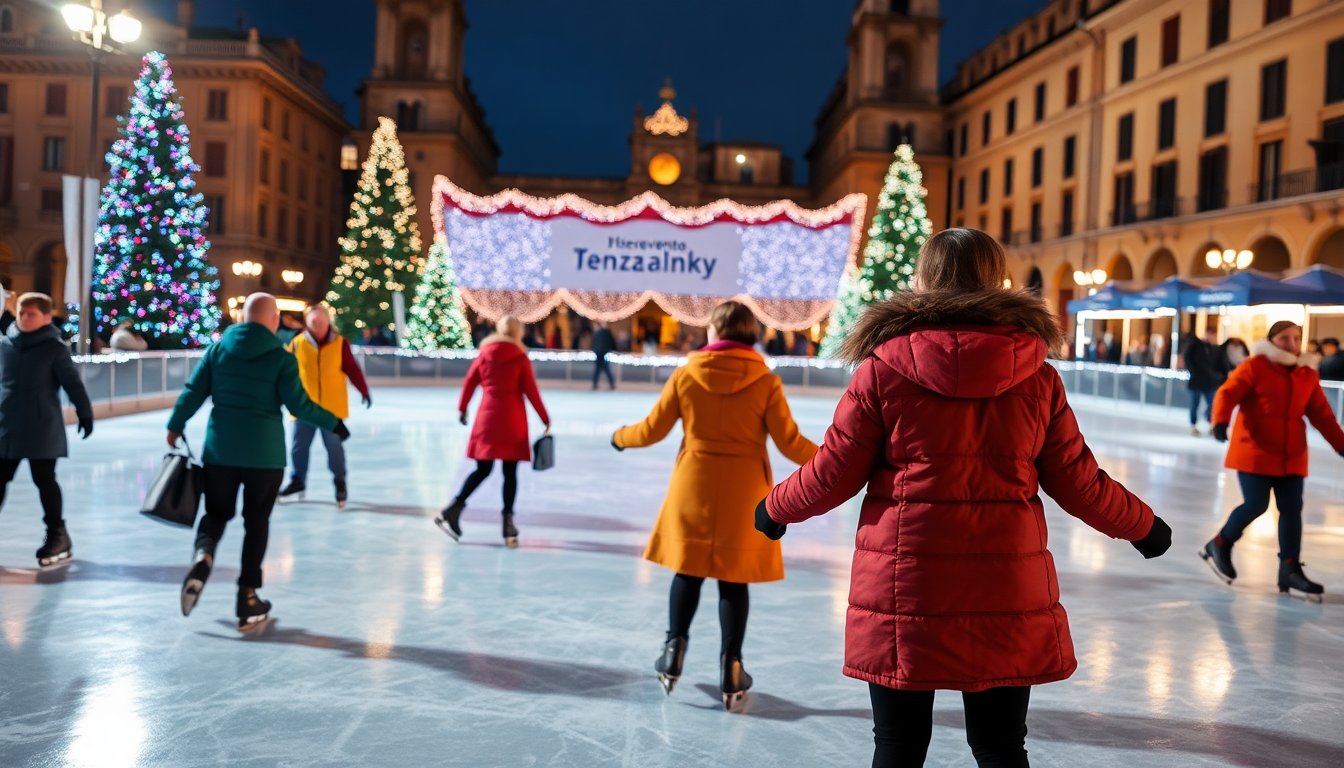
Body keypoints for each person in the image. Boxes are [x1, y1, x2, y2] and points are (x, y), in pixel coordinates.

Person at [755, 228, 1170, 767]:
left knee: (899, 748)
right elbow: (1077, 479)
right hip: (1004, 586)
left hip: (907, 586)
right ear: (996, 278)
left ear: (925, 278)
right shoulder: (1037, 375)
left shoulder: (882, 369)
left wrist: (774, 508)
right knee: (1000, 748)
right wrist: (1142, 526)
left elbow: (834, 470)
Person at [611, 301, 818, 712]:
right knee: (732, 579)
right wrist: (839, 459)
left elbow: (652, 430)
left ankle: (673, 651)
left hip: (695, 485)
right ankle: (732, 666)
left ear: (715, 332)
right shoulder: (765, 382)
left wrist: (620, 436)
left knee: (687, 571)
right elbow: (791, 443)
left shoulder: (687, 374)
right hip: (744, 492)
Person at [167, 293, 349, 629]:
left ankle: (203, 554)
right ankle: (247, 597)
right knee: (256, 524)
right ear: (274, 320)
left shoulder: (218, 350)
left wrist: (175, 425)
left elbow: (193, 390)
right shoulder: (281, 358)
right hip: (264, 457)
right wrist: (334, 422)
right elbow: (300, 406)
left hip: (220, 452)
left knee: (216, 514)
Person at [1200, 321, 1344, 601]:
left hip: (1291, 454)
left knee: (1292, 509)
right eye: (1284, 338)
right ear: (1271, 340)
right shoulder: (1255, 367)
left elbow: (1322, 415)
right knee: (1256, 504)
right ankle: (1220, 543)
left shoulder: (1306, 373)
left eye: (1296, 338)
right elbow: (1227, 393)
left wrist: (1341, 444)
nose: (1292, 344)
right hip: (1254, 449)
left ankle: (1289, 569)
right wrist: (1219, 420)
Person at [434, 316, 549, 548]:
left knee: (483, 469)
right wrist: (545, 418)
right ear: (518, 332)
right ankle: (507, 525)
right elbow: (531, 391)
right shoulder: (519, 357)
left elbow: (470, 381)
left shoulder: (485, 353)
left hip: (487, 417)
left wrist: (463, 408)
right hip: (512, 420)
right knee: (510, 472)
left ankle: (453, 508)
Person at [0, 293, 94, 568]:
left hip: (41, 426)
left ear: (46, 316)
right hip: (6, 425)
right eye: (21, 314)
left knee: (44, 480)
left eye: (31, 314)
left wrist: (84, 412)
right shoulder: (6, 344)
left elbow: (73, 384)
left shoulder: (54, 348)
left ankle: (58, 535)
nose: (25, 318)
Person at [278, 304, 372, 508]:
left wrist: (363, 390)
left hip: (332, 409)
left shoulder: (340, 344)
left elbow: (352, 369)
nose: (318, 327)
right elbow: (285, 371)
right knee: (298, 448)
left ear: (328, 322)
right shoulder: (297, 343)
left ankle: (340, 482)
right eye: (313, 322)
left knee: (335, 449)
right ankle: (297, 481)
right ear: (307, 323)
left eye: (321, 322)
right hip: (303, 407)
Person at [1182, 327, 1230, 436]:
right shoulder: (1195, 345)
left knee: (1211, 404)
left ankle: (1210, 424)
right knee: (1195, 404)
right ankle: (1193, 425)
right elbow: (1188, 359)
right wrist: (1193, 372)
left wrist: (1219, 376)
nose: (1212, 337)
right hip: (1196, 381)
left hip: (1210, 382)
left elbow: (1221, 364)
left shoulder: (1214, 349)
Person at [591, 320, 616, 390]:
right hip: (602, 353)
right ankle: (611, 384)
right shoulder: (600, 333)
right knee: (604, 369)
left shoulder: (600, 333)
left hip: (601, 354)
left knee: (600, 369)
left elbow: (595, 345)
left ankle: (596, 384)